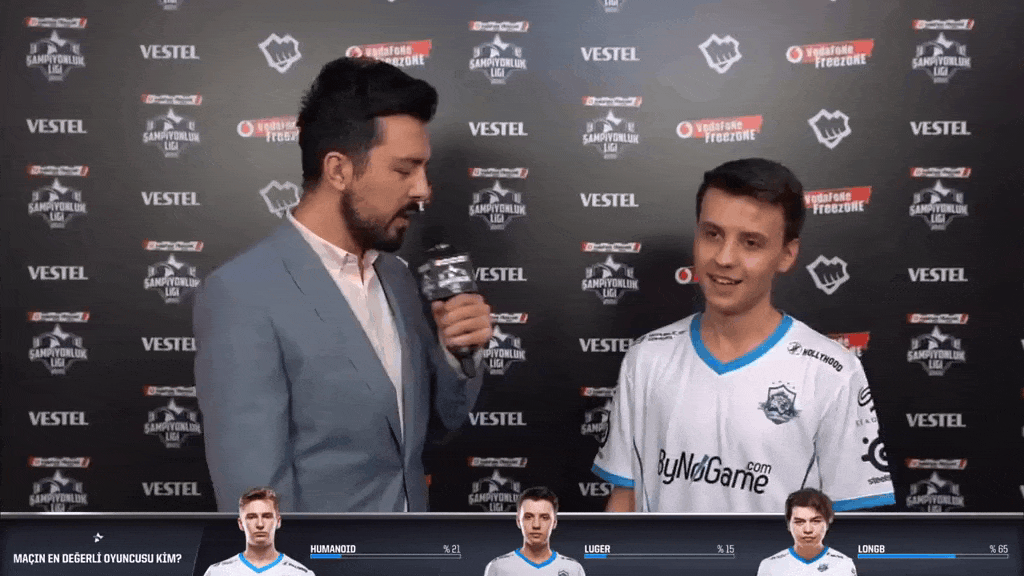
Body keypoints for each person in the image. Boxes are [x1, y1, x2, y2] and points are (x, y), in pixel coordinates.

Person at [194, 57, 492, 512]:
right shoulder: (241, 295)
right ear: (338, 170)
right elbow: (255, 494)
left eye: (424, 170)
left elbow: (429, 429)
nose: (423, 190)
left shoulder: (397, 278)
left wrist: (457, 355)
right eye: (404, 170)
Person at [592, 158, 894, 512]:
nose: (724, 258)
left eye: (751, 242)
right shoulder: (647, 358)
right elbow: (625, 498)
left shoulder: (831, 371)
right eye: (712, 234)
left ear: (786, 255)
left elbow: (849, 520)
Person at [203, 488, 313, 576]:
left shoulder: (299, 574)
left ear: (278, 521)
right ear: (240, 524)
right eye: (252, 517)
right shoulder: (218, 572)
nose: (260, 524)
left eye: (267, 516)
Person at [483, 487, 585, 576]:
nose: (536, 525)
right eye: (528, 517)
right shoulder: (498, 567)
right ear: (518, 521)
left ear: (554, 522)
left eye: (544, 517)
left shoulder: (573, 569)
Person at [757, 489, 856, 575]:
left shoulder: (843, 565)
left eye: (815, 521)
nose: (808, 530)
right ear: (788, 524)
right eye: (799, 522)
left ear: (827, 523)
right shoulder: (770, 566)